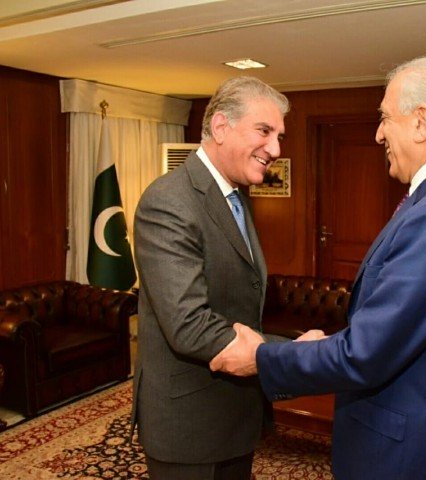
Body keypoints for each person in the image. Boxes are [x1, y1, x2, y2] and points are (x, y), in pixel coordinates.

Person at [211, 55, 426, 480]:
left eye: (384, 118)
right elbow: (405, 329)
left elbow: (367, 354)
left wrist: (264, 358)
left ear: (421, 122)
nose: (378, 135)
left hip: (414, 454)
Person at [132, 76, 290, 479]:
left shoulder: (237, 195)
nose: (275, 149)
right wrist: (289, 353)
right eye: (264, 131)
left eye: (279, 136)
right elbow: (188, 324)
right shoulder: (169, 201)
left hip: (235, 417)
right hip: (189, 428)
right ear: (221, 127)